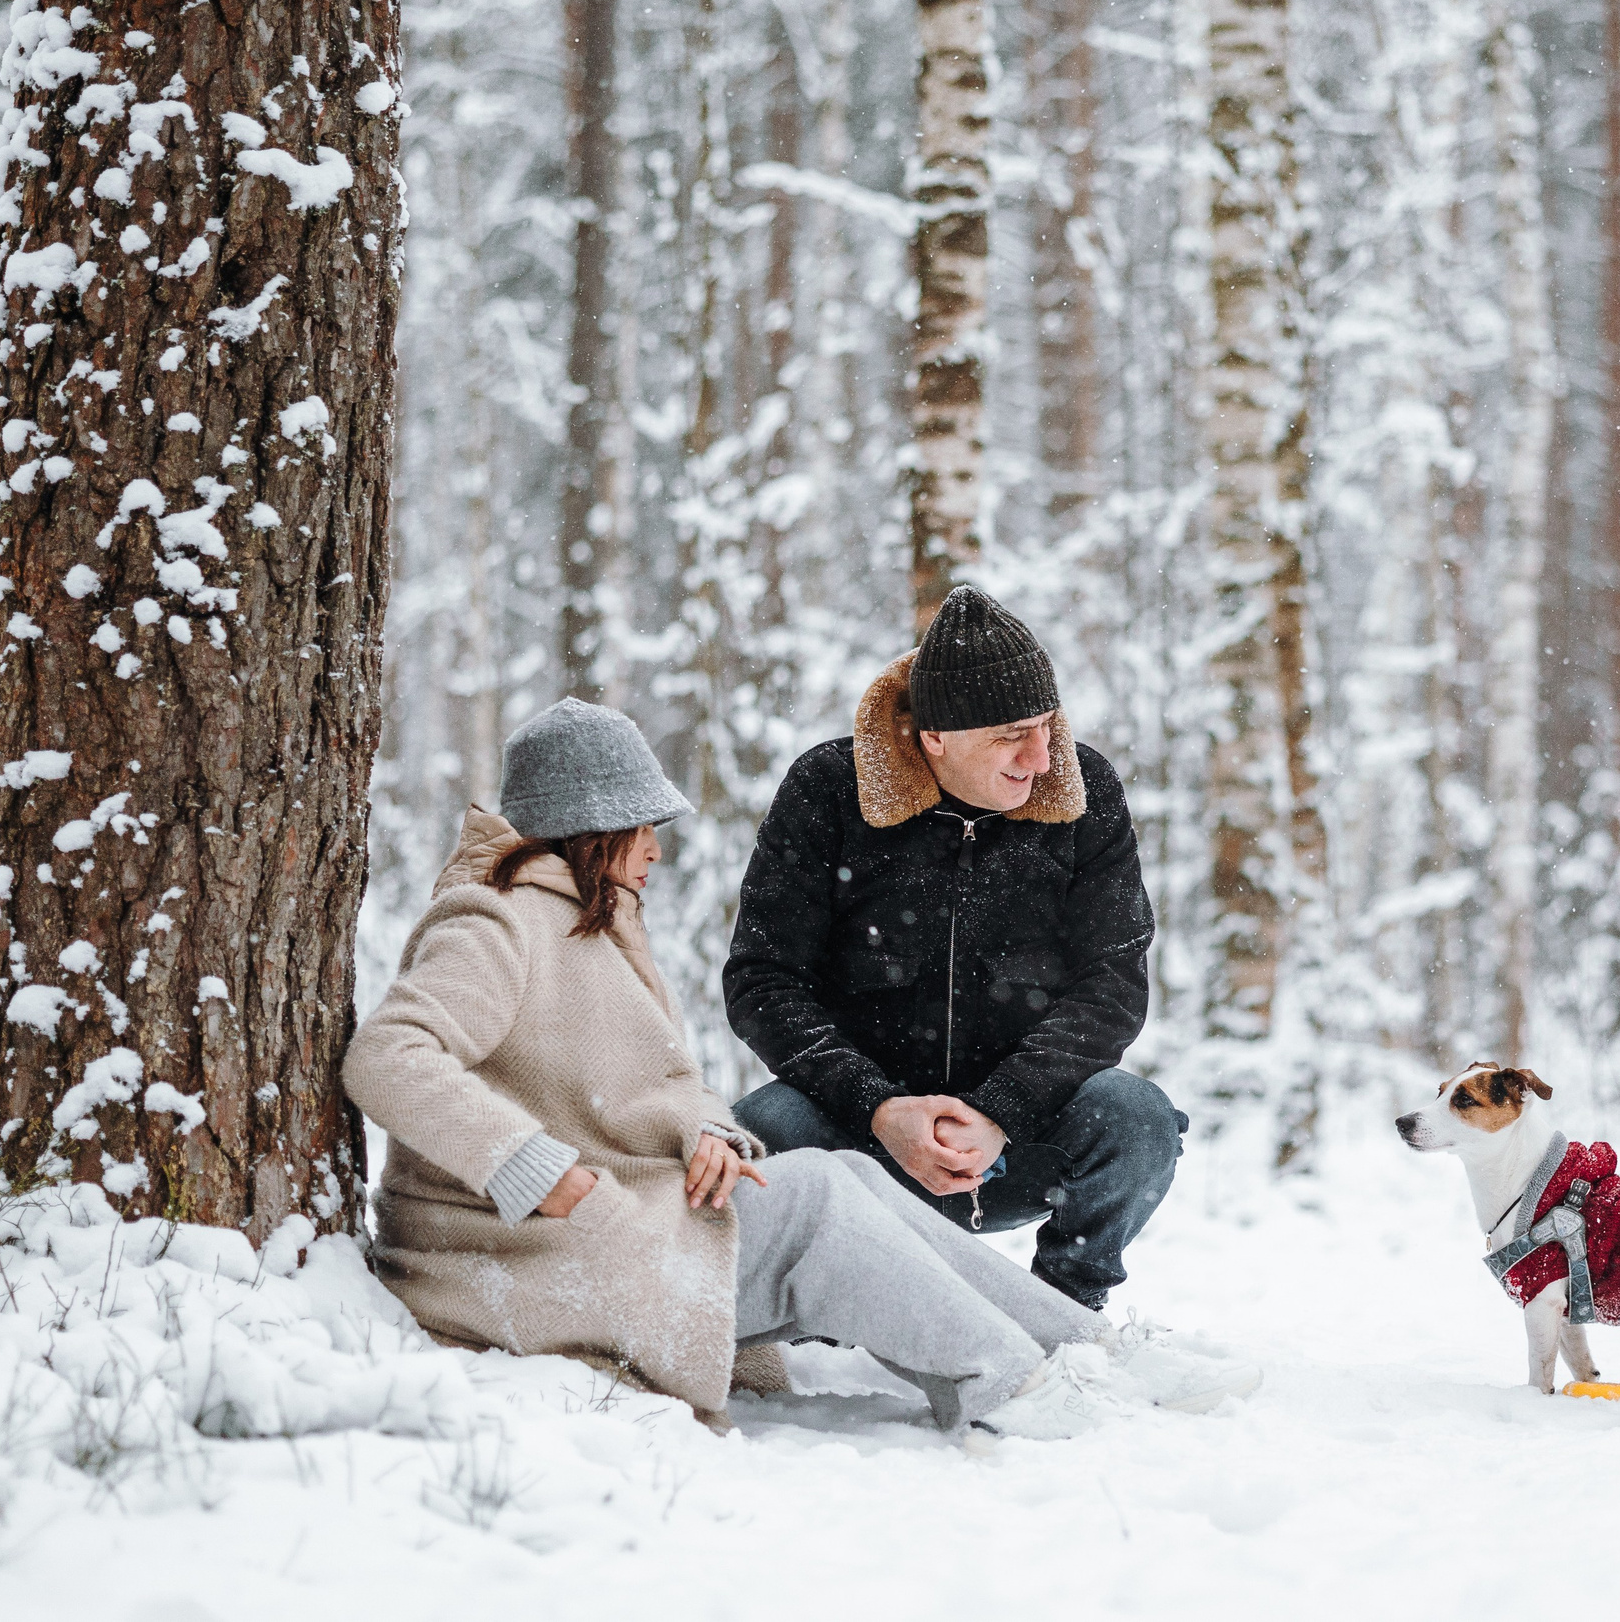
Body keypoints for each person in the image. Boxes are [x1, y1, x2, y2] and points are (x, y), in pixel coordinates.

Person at [343, 697, 1250, 1440]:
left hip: (608, 1222)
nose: (659, 849)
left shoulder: (587, 920)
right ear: (594, 827)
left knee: (842, 1175)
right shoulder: (493, 923)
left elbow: (639, 1084)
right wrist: (525, 1164)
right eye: (645, 828)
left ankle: (1088, 1346)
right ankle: (1009, 1382)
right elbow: (389, 1055)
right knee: (817, 1196)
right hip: (520, 1255)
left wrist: (706, 1129)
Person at [724, 585, 1181, 1311]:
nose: (1039, 756)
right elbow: (763, 980)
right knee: (761, 1127)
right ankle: (832, 1308)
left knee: (1137, 1119)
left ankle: (1065, 1314)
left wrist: (1001, 1111)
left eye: (1046, 726)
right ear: (933, 738)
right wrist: (879, 1108)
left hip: (1017, 1141)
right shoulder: (826, 791)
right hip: (862, 1142)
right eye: (1011, 736)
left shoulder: (1083, 787)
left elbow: (1113, 985)